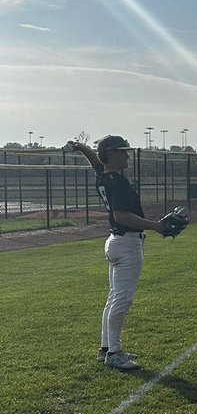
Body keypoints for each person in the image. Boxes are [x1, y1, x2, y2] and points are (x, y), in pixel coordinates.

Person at [67, 134, 170, 371]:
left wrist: (81, 147)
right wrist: (156, 226)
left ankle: (106, 348)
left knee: (114, 299)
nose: (126, 154)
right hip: (127, 243)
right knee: (122, 301)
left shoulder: (106, 177)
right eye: (122, 151)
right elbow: (121, 216)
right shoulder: (118, 182)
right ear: (111, 154)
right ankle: (114, 353)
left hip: (116, 242)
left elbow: (97, 163)